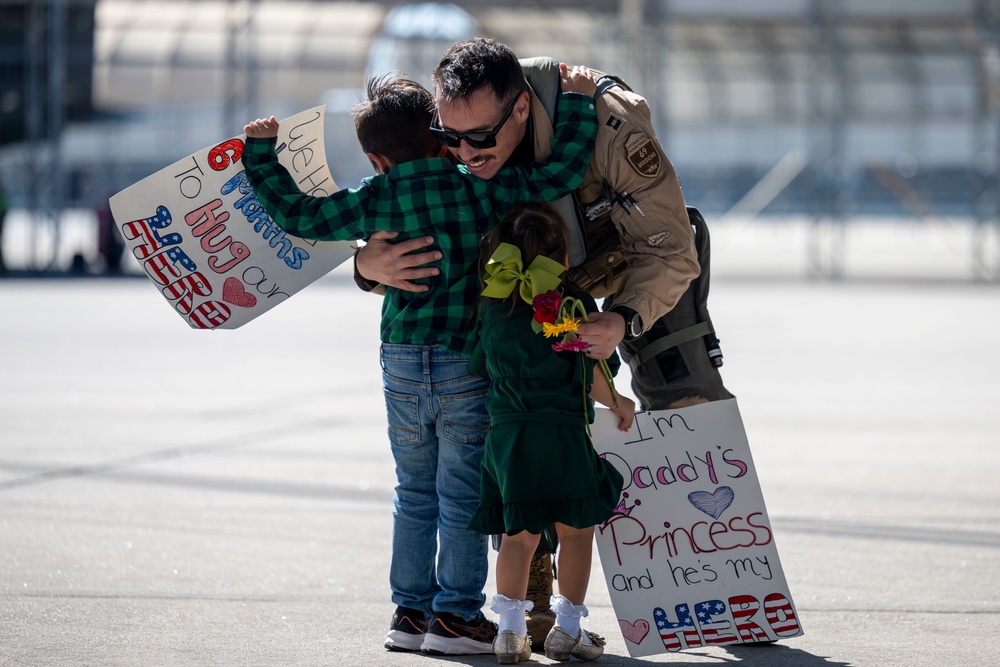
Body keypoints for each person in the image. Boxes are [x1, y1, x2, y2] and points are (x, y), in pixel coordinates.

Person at [354, 37, 734, 645]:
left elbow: (669, 247)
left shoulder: (610, 122)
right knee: (512, 422)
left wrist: (624, 321)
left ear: (522, 111)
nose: (463, 153)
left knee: (677, 384)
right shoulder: (457, 127)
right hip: (524, 282)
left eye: (480, 139)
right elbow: (412, 212)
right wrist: (368, 264)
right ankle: (528, 610)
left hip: (634, 267)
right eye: (450, 139)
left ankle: (715, 586)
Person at [241, 70, 600, 655]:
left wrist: (261, 155)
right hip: (465, 360)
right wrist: (580, 103)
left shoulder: (376, 196)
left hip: (401, 362)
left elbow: (298, 216)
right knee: (461, 491)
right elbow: (561, 171)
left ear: (377, 158)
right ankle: (455, 617)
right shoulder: (481, 187)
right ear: (442, 137)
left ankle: (409, 615)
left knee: (413, 489)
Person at [468, 202, 634, 663]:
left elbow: (478, 364)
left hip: (508, 437)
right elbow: (592, 369)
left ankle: (509, 632)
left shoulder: (492, 304)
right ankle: (567, 629)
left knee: (517, 538)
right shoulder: (570, 305)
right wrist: (619, 403)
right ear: (563, 259)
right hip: (561, 433)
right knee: (577, 532)